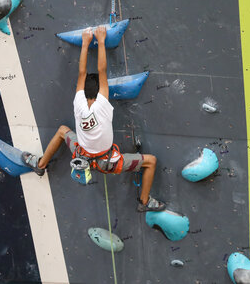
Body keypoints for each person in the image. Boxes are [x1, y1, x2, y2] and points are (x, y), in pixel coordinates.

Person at [22, 26, 165, 212]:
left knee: (62, 131)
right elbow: (102, 71)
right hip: (109, 163)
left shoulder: (78, 103)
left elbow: (82, 73)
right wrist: (102, 40)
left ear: (84, 92)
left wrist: (85, 42)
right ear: (100, 93)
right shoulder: (102, 105)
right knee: (151, 161)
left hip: (81, 154)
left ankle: (40, 165)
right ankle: (144, 202)